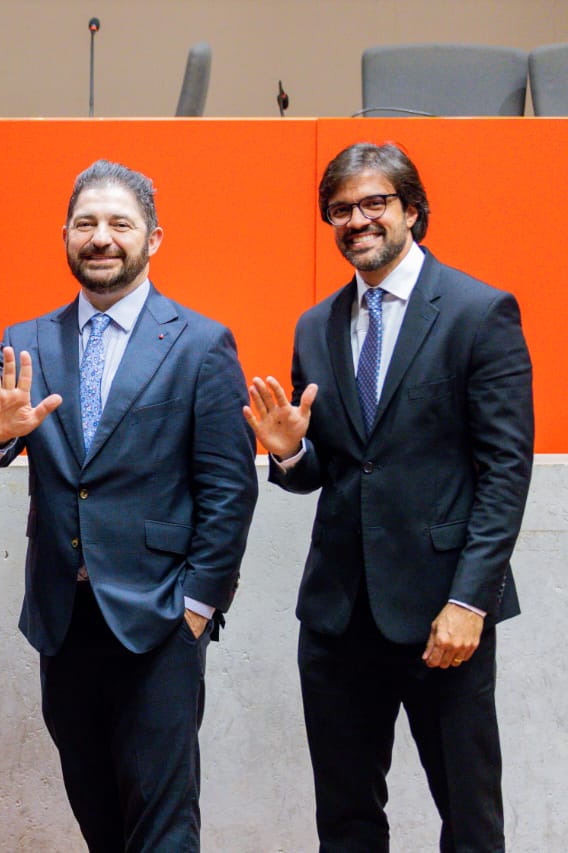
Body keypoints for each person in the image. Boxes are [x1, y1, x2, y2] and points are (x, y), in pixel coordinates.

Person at [0, 160, 258, 851]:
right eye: (87, 223)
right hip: (65, 622)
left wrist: (198, 605)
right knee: (99, 817)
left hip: (159, 622)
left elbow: (229, 488)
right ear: (65, 234)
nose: (102, 237)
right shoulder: (27, 339)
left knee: (163, 824)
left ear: (153, 238)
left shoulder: (200, 343)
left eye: (120, 223)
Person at [244, 141, 534, 852]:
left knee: (469, 821)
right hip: (338, 619)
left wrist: (471, 601)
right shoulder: (316, 325)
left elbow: (505, 472)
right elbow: (331, 470)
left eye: (375, 203)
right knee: (345, 821)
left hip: (444, 618)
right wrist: (286, 452)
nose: (358, 220)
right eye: (342, 209)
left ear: (412, 209)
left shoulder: (478, 311)